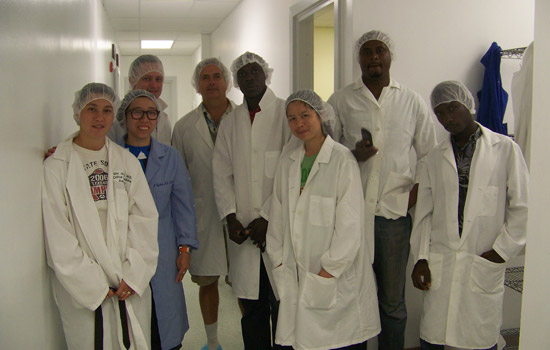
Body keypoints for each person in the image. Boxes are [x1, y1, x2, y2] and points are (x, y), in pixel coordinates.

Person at [327, 30, 437, 350]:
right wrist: (353, 154)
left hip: (393, 217)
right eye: (367, 51)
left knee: (392, 302)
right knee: (351, 297)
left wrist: (412, 196)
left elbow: (430, 155)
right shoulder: (341, 100)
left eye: (380, 51)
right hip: (351, 215)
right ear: (359, 58)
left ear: (390, 57)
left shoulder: (411, 100)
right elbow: (326, 154)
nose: (374, 56)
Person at [410, 81, 528, 350]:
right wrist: (421, 257)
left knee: (479, 338)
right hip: (441, 258)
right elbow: (424, 213)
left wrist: (502, 250)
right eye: (440, 113)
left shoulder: (505, 150)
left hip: (483, 257)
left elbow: (521, 206)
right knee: (433, 336)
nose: (448, 118)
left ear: (468, 106)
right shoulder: (433, 158)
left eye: (453, 108)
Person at [42, 83, 159, 349]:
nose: (99, 117)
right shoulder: (57, 166)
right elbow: (58, 234)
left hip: (127, 281)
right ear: (77, 113)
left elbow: (145, 219)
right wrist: (92, 285)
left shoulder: (126, 161)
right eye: (91, 109)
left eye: (107, 110)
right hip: (85, 290)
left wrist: (134, 274)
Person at [267, 90, 381, 350]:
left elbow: (351, 225)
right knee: (302, 340)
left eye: (306, 115)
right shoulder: (289, 161)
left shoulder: (342, 160)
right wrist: (279, 259)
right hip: (296, 271)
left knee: (339, 342)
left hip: (334, 276)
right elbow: (277, 215)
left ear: (321, 116)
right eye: (292, 118)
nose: (299, 124)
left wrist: (328, 271)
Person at [212, 51, 297, 350]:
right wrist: (231, 216)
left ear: (266, 75)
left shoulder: (286, 112)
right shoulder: (230, 121)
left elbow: (292, 171)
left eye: (254, 72)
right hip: (244, 231)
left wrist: (269, 217)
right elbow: (221, 172)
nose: (248, 77)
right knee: (251, 308)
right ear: (236, 80)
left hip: (278, 227)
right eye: (242, 73)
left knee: (284, 305)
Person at [114, 90, 199, 350]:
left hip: (163, 249)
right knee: (130, 319)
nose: (144, 119)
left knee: (165, 316)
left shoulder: (170, 157)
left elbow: (183, 207)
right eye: (136, 112)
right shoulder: (112, 157)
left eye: (151, 113)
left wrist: (185, 248)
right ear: (124, 117)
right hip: (122, 248)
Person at [172, 57, 236, 350]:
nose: (211, 82)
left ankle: (251, 338)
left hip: (241, 213)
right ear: (197, 85)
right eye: (205, 77)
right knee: (207, 281)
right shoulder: (184, 127)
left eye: (217, 76)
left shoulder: (245, 119)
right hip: (203, 215)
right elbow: (178, 180)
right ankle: (212, 343)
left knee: (245, 285)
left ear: (226, 81)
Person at [109, 55, 172, 145]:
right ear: (132, 80)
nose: (154, 85)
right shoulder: (115, 116)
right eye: (147, 78)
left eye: (158, 79)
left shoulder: (164, 118)